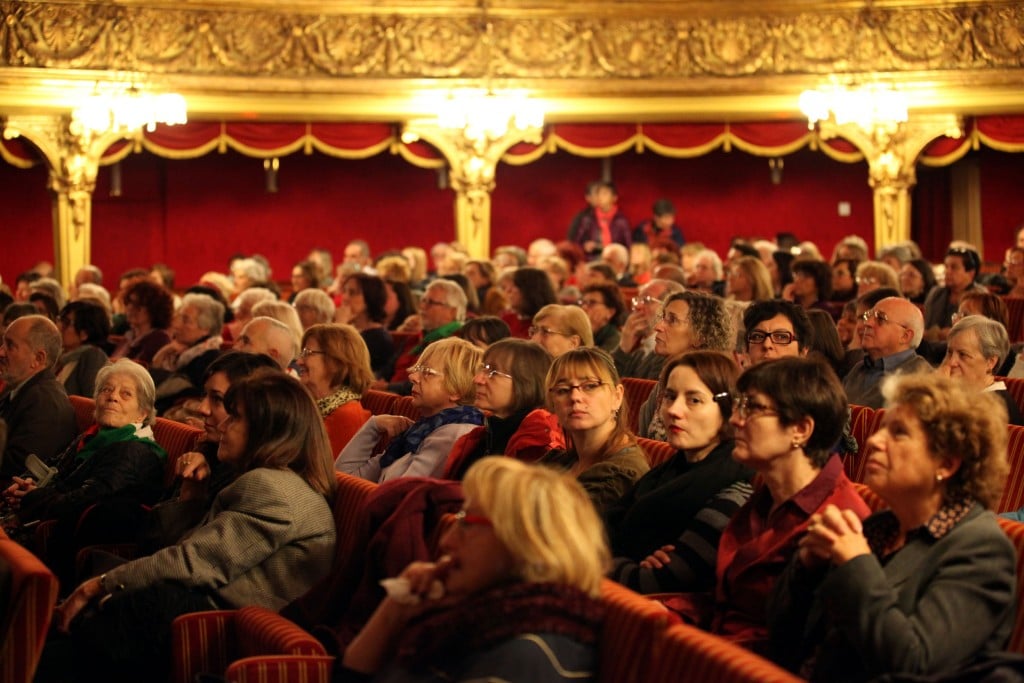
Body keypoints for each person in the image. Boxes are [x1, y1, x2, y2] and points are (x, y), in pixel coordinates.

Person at [47, 371, 337, 682]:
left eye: (235, 418)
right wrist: (192, 500)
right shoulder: (273, 482)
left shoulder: (272, 488)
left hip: (220, 631)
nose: (221, 424)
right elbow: (177, 550)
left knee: (64, 647)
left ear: (267, 431)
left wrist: (100, 584)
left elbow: (191, 563)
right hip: (198, 614)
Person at [768, 373, 1015, 682]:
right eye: (882, 428)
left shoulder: (982, 552)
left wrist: (857, 564)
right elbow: (781, 642)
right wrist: (807, 568)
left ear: (947, 464)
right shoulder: (879, 527)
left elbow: (914, 663)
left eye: (898, 433)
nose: (873, 440)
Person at [665, 357, 870, 653]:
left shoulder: (838, 520)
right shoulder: (763, 495)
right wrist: (670, 613)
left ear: (800, 429)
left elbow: (802, 646)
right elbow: (725, 603)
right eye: (739, 405)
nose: (735, 419)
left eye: (753, 408)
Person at [339, 456, 607, 682]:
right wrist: (394, 611)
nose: (446, 541)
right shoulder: (479, 616)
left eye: (467, 523)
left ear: (524, 541)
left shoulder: (521, 654)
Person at [2, 360, 166, 580]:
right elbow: (53, 466)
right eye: (106, 389)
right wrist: (24, 485)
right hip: (42, 519)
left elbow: (85, 500)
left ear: (142, 414)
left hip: (73, 540)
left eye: (126, 394)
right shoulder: (91, 437)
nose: (112, 396)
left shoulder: (135, 451)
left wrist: (32, 497)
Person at [606, 352, 754, 594]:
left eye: (694, 400)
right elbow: (600, 532)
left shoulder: (734, 489)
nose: (674, 410)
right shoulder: (669, 471)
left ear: (728, 409)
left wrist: (602, 563)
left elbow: (653, 583)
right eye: (670, 396)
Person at [337, 337, 484, 481]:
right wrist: (374, 426)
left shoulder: (453, 435)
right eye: (418, 369)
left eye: (427, 372)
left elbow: (395, 499)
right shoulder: (422, 430)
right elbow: (344, 477)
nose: (413, 376)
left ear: (456, 390)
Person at [540, 347, 648, 513]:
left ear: (617, 396)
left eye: (590, 386)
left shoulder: (618, 476)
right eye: (563, 390)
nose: (575, 397)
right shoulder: (559, 461)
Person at [444, 338, 564, 479]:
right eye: (483, 368)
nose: (477, 379)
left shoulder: (538, 444)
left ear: (526, 383)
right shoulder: (482, 435)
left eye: (493, 372)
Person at [637, 291, 733, 439]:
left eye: (672, 320)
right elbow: (644, 440)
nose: (658, 326)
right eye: (663, 318)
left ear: (700, 336)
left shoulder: (710, 385)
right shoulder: (666, 379)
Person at [0, 314, 77, 480]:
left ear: (38, 358)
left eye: (10, 346)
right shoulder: (19, 390)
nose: (1, 352)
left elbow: (16, 470)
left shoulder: (45, 404)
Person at [297, 324, 373, 455]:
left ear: (337, 362)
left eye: (307, 353)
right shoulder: (311, 405)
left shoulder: (348, 416)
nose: (299, 361)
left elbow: (327, 472)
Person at [843, 296, 932, 408]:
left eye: (880, 319)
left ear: (905, 336)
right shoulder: (858, 369)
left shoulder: (921, 379)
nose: (867, 323)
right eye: (868, 316)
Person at [938, 315, 1023, 424]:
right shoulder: (964, 396)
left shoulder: (993, 409)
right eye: (950, 352)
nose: (952, 362)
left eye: (963, 355)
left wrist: (940, 394)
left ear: (990, 362)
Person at [150, 293, 225, 414]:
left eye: (186, 320)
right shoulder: (179, 352)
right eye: (179, 318)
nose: (176, 325)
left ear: (205, 328)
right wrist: (161, 355)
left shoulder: (209, 359)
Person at [611, 278, 685, 380]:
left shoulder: (669, 354)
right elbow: (609, 381)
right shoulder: (638, 349)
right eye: (638, 300)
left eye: (647, 300)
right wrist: (623, 348)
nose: (638, 306)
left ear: (670, 308)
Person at [336, 273, 395, 380]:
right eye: (344, 291)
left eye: (352, 293)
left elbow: (339, 370)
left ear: (369, 299)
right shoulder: (353, 329)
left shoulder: (378, 338)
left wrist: (340, 327)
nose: (345, 297)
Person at [924, 246, 985, 340]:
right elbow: (925, 327)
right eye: (946, 266)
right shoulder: (936, 293)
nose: (947, 271)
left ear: (971, 273)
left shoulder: (979, 296)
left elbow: (978, 333)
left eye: (954, 267)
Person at [109, 280, 174, 366]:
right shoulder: (129, 336)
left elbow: (139, 369)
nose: (130, 308)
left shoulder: (159, 339)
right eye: (128, 302)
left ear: (154, 310)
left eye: (137, 305)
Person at [54, 300, 110, 398]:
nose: (59, 326)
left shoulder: (93, 357)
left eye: (66, 323)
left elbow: (90, 401)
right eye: (60, 320)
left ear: (84, 334)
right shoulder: (60, 354)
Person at [571, 179, 631, 259]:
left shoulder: (621, 221)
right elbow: (576, 244)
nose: (600, 197)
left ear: (614, 197)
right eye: (598, 193)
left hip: (614, 262)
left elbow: (628, 247)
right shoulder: (588, 219)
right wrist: (585, 246)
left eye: (605, 193)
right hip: (592, 260)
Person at [500, 266, 557, 338]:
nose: (508, 290)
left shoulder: (548, 324)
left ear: (530, 290)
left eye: (515, 286)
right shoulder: (507, 319)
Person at [579, 283, 626, 354]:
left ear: (610, 312)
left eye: (592, 303)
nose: (584, 307)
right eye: (583, 302)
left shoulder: (615, 340)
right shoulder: (578, 333)